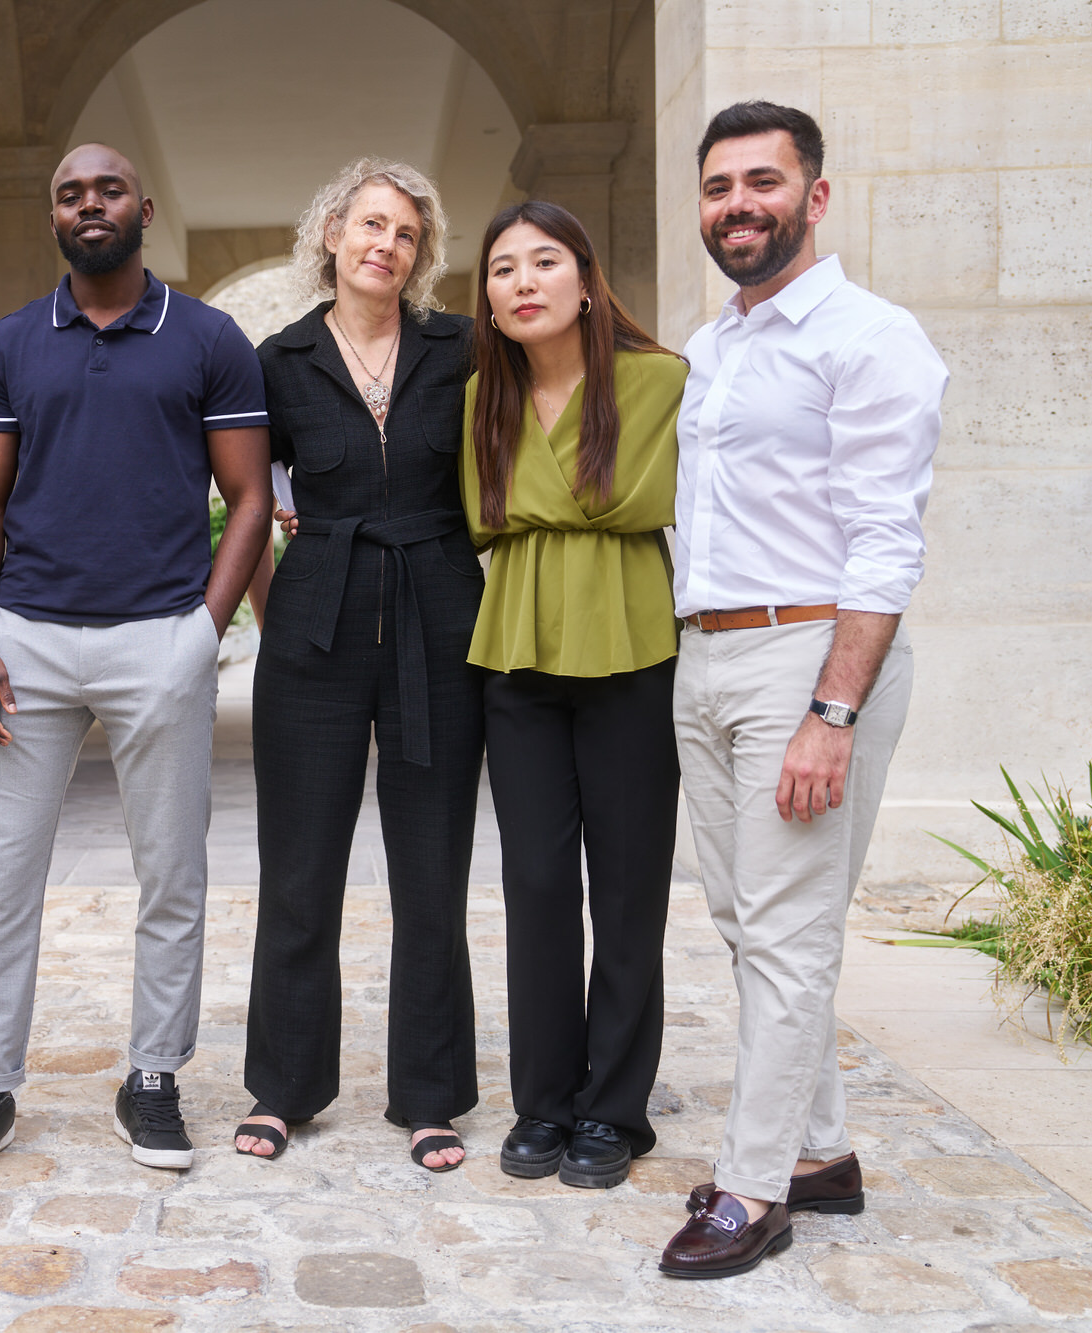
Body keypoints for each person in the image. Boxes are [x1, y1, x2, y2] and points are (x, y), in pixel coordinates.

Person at [0, 142, 273, 1183]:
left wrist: (201, 633)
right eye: (69, 193)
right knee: (2, 877)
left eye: (106, 189)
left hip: (156, 636)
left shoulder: (207, 338)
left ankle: (153, 1077)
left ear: (142, 207)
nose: (88, 205)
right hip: (26, 636)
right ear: (54, 216)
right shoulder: (11, 343)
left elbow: (250, 497)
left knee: (172, 873)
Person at [658, 101, 946, 1279]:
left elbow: (885, 540)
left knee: (785, 935)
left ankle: (752, 1187)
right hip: (707, 652)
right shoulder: (710, 344)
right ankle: (819, 1153)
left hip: (807, 654)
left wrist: (829, 712)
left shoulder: (871, 337)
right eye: (719, 185)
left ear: (812, 197)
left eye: (762, 183)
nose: (738, 205)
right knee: (746, 923)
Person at [232, 160, 482, 1174]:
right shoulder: (276, 359)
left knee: (433, 873)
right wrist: (268, 612)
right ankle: (283, 1087)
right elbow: (249, 499)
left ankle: (429, 1096)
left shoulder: (460, 347)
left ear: (419, 258)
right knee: (298, 873)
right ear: (330, 231)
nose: (386, 244)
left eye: (406, 234)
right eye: (369, 224)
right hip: (313, 628)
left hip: (440, 618)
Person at [458, 200, 686, 1191]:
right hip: (516, 658)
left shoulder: (659, 380)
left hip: (631, 654)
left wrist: (548, 507)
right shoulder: (480, 400)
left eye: (542, 261)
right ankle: (543, 1103)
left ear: (585, 279)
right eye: (501, 270)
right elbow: (480, 516)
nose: (521, 282)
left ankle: (613, 1109)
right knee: (538, 889)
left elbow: (637, 500)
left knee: (628, 891)